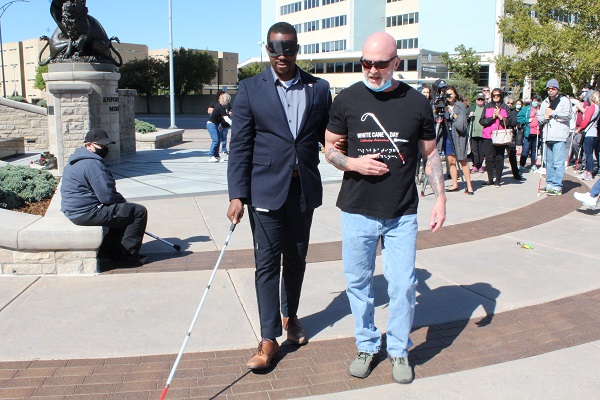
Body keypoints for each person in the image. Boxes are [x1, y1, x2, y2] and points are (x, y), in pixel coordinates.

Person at [323, 32, 446, 384]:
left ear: (396, 62)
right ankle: (366, 343)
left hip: (401, 213)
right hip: (357, 209)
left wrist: (440, 197)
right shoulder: (347, 99)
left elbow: (431, 153)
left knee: (403, 285)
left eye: (380, 63)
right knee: (358, 283)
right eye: (366, 63)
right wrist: (353, 164)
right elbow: (329, 148)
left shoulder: (416, 103)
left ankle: (398, 350)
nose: (372, 70)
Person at [226, 22, 332, 370]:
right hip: (265, 190)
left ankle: (291, 317)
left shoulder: (319, 89)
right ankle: (268, 338)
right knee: (268, 263)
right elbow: (240, 144)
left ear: (297, 49)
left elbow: (328, 136)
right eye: (274, 48)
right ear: (267, 49)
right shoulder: (250, 89)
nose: (281, 55)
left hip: (304, 189)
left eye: (287, 48)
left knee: (297, 259)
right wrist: (237, 194)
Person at [60, 128, 149, 267]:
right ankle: (126, 255)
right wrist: (122, 203)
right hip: (84, 212)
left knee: (122, 211)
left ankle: (109, 250)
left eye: (107, 146)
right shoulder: (92, 163)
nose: (105, 148)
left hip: (75, 210)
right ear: (89, 145)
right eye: (101, 146)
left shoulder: (77, 160)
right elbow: (107, 196)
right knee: (138, 212)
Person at [537, 78, 573, 196]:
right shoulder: (545, 102)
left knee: (558, 162)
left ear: (557, 89)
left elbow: (568, 116)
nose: (550, 91)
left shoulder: (564, 100)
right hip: (547, 135)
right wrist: (544, 118)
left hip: (559, 135)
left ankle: (557, 185)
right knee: (548, 161)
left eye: (553, 89)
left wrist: (553, 113)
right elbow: (540, 118)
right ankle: (550, 183)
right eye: (549, 89)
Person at [479, 88, 518, 187]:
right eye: (494, 95)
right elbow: (482, 121)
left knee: (499, 157)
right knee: (488, 158)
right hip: (488, 135)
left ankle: (498, 179)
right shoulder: (487, 106)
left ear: (501, 96)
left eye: (498, 95)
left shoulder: (505, 107)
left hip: (500, 136)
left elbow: (510, 122)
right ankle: (490, 178)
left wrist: (500, 117)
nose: (496, 97)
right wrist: (492, 118)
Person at [442, 85, 474, 194]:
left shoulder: (460, 106)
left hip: (458, 135)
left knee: (462, 160)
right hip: (447, 134)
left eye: (451, 94)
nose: (449, 96)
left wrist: (452, 114)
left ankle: (469, 185)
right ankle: (455, 184)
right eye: (447, 94)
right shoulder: (443, 105)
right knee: (451, 160)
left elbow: (462, 126)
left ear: (455, 94)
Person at [574, 91, 600, 181]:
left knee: (588, 153)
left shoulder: (592, 107)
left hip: (589, 133)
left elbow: (586, 121)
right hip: (594, 132)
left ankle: (589, 172)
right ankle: (587, 171)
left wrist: (579, 129)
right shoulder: (598, 108)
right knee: (588, 153)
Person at [518, 95, 542, 171]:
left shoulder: (540, 110)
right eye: (534, 100)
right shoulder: (526, 109)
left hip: (537, 133)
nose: (535, 102)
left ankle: (533, 165)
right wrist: (527, 120)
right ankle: (522, 165)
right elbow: (519, 117)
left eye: (537, 101)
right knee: (526, 149)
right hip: (528, 133)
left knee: (534, 150)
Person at [206, 92, 232, 162]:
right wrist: (234, 124)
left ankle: (216, 156)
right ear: (225, 100)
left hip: (215, 124)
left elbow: (218, 117)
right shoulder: (219, 106)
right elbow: (226, 118)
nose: (228, 102)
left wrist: (220, 125)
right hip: (211, 124)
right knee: (216, 140)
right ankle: (211, 156)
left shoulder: (220, 106)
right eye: (227, 100)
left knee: (218, 140)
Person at [468, 92, 486, 173]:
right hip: (473, 133)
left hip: (483, 133)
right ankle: (475, 165)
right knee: (474, 150)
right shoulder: (472, 108)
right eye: (478, 99)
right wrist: (469, 115)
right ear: (476, 100)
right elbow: (464, 116)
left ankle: (480, 165)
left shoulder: (486, 108)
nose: (480, 101)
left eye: (482, 99)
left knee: (482, 151)